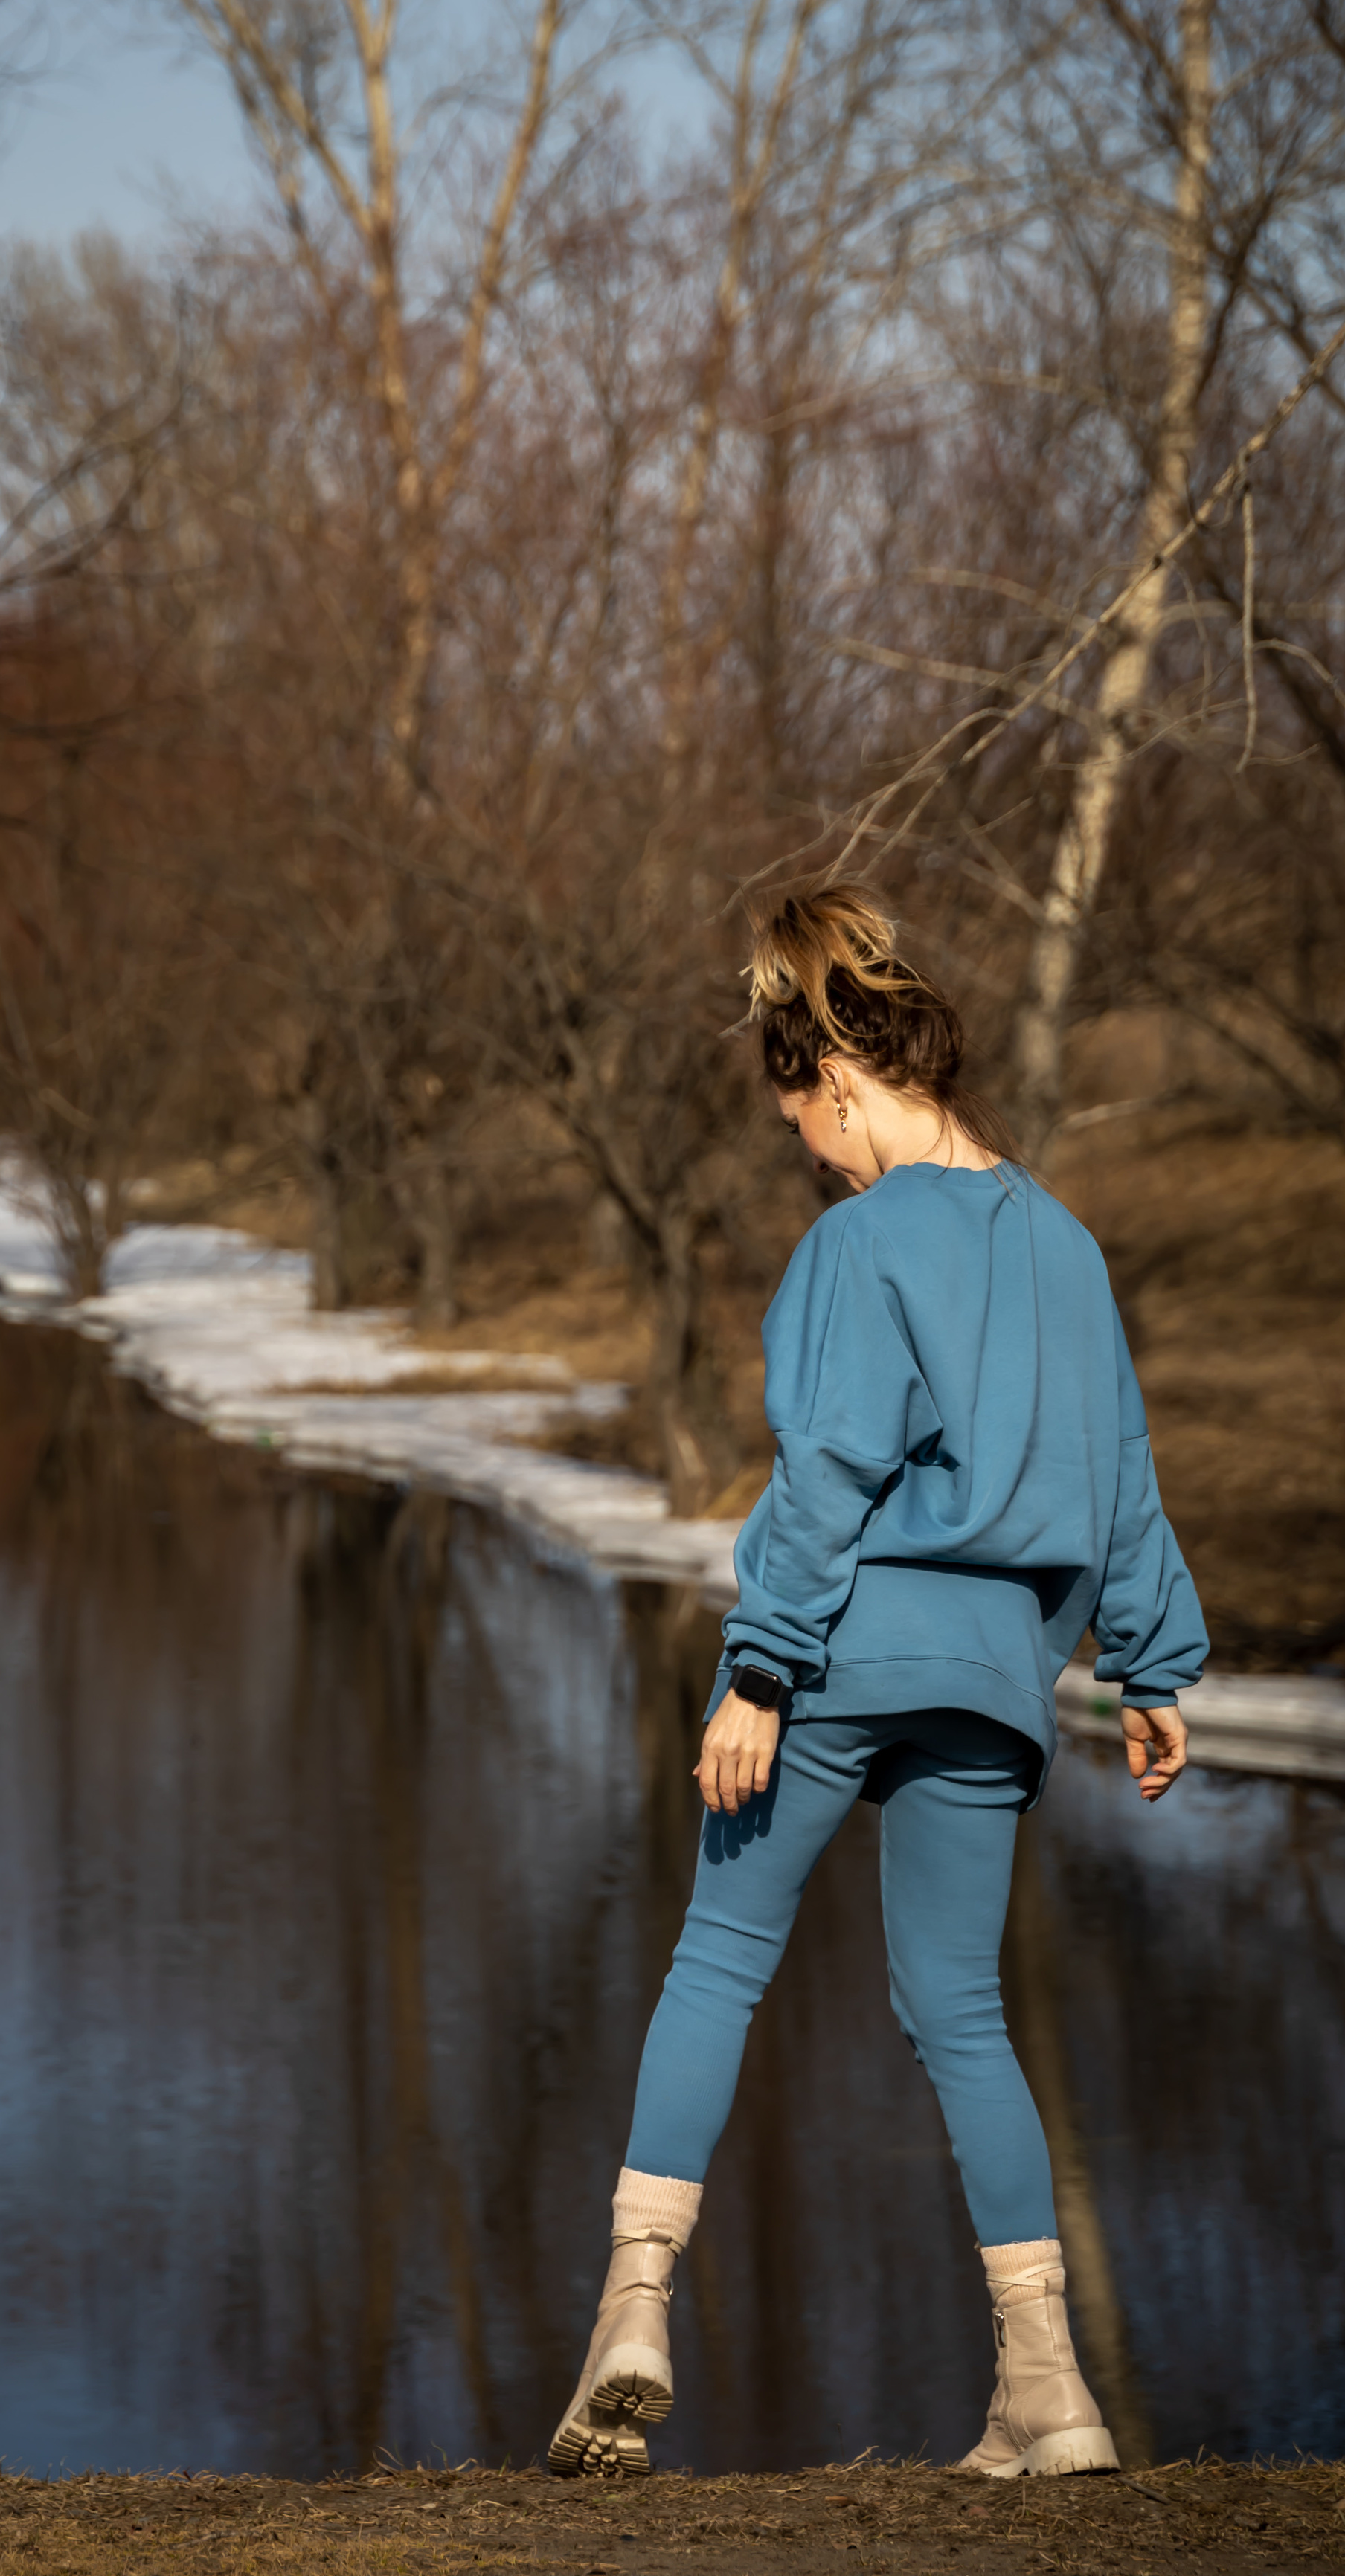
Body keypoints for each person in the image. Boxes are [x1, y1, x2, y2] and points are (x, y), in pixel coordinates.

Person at [549, 889, 1206, 2483]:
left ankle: (630, 2315)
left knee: (716, 1961)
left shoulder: (857, 1246)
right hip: (993, 1682)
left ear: (836, 1080)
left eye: (799, 1122)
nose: (806, 1155)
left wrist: (756, 1675)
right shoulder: (1062, 1242)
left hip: (836, 1658)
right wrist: (1153, 1657)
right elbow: (1116, 1468)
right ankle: (1045, 2393)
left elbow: (826, 1471)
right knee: (962, 2015)